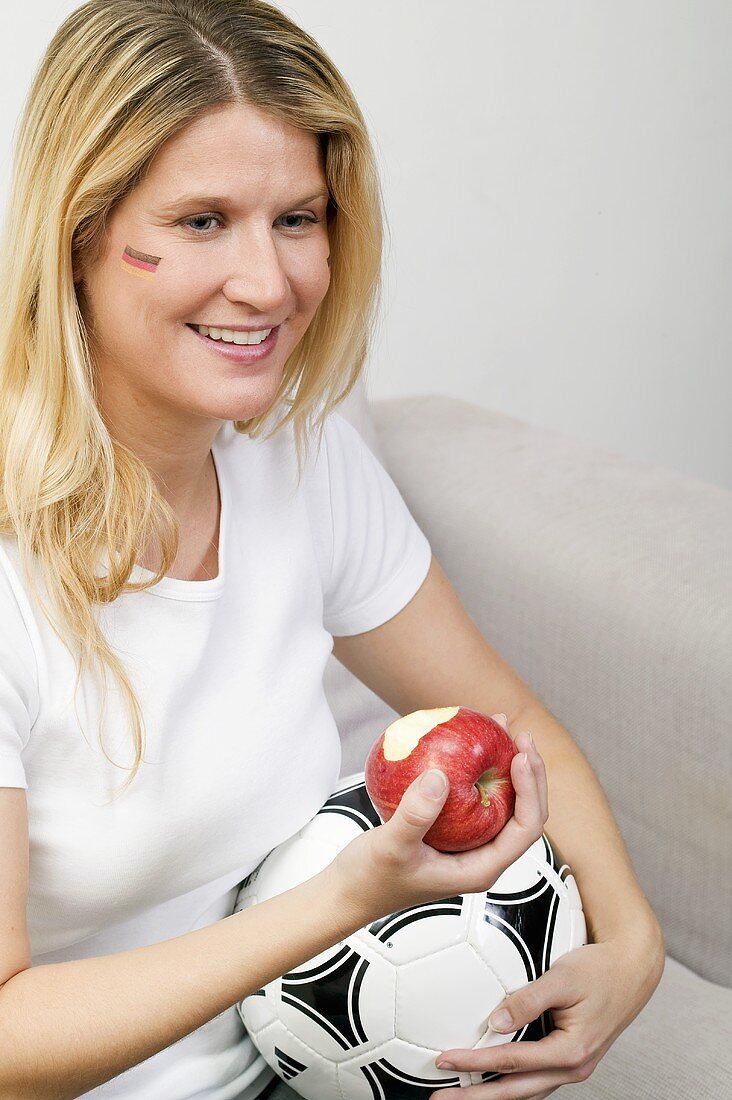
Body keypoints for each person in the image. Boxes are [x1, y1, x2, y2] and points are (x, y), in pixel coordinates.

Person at [0, 2, 665, 1098]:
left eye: (298, 218)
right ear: (77, 233)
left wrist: (630, 944)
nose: (269, 283)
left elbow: (514, 723)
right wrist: (344, 899)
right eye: (205, 220)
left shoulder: (304, 469)